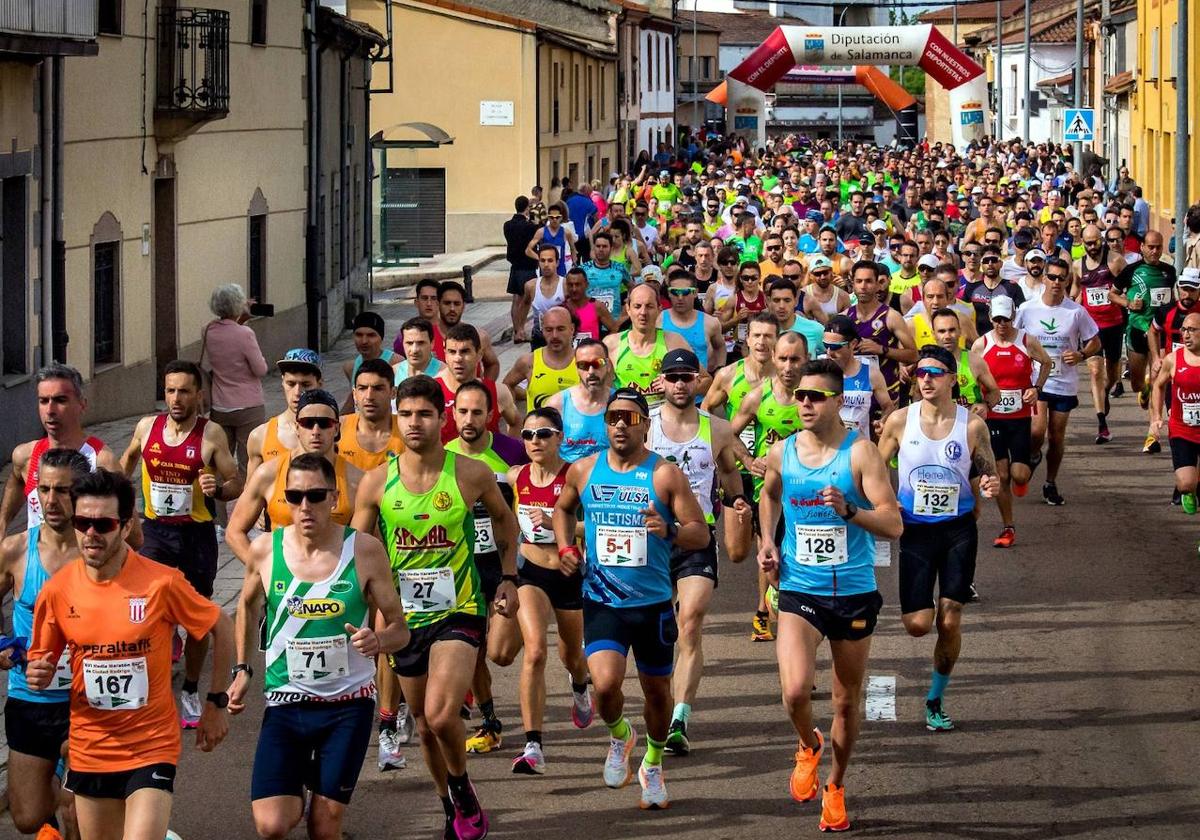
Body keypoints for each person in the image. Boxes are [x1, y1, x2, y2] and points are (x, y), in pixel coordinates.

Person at [352, 375, 520, 840]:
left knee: (443, 714)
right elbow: (356, 553)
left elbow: (506, 523)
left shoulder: (469, 473)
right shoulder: (376, 483)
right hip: (404, 621)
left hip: (460, 611)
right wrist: (362, 610)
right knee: (425, 728)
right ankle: (449, 804)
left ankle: (462, 787)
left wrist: (508, 578)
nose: (414, 423)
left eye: (424, 414)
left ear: (441, 418)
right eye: (405, 414)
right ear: (395, 418)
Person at [28, 469, 235, 840]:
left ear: (125, 527)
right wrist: (38, 672)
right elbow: (41, 659)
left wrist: (216, 702)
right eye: (83, 522)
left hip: (151, 745)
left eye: (103, 524)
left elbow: (221, 625)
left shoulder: (161, 582)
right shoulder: (58, 590)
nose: (91, 534)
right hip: (91, 746)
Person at [229, 452, 410, 840]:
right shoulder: (264, 550)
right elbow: (244, 605)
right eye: (294, 497)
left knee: (324, 828)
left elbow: (400, 628)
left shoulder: (363, 550)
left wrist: (378, 640)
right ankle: (297, 780)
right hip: (287, 704)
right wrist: (242, 669)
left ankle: (319, 790)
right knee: (272, 825)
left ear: (334, 496)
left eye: (315, 496)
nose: (305, 506)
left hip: (347, 707)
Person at [757, 359, 903, 833]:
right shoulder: (783, 452)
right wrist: (767, 542)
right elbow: (770, 494)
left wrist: (850, 511)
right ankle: (808, 745)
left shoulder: (861, 454)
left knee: (845, 702)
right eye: (800, 395)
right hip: (801, 587)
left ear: (839, 401)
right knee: (795, 690)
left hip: (855, 591)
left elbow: (894, 524)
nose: (804, 403)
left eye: (815, 396)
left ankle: (836, 785)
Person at [553, 389, 708, 810]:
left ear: (645, 425)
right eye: (613, 417)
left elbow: (700, 532)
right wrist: (566, 548)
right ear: (605, 424)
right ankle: (621, 736)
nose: (620, 424)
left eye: (630, 417)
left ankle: (653, 764)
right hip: (603, 601)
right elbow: (562, 510)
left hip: (653, 604)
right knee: (604, 686)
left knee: (658, 695)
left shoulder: (664, 475)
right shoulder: (583, 470)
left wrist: (671, 530)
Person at [878, 346, 1000, 732]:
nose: (926, 379)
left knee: (950, 617)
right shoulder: (900, 421)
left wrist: (991, 483)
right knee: (917, 624)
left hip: (957, 530)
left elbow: (988, 471)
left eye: (934, 372)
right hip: (915, 531)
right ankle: (923, 610)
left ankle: (935, 699)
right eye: (920, 373)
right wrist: (884, 503)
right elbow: (876, 470)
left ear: (953, 378)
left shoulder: (972, 426)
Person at [119, 360, 242, 729]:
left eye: (184, 391)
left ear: (199, 395)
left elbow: (237, 480)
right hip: (154, 532)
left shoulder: (211, 435)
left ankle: (190, 688)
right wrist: (117, 506)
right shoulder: (147, 427)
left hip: (196, 536)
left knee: (199, 619)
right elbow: (124, 465)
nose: (176, 398)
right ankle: (149, 688)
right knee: (144, 609)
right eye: (170, 390)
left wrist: (218, 490)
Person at [648, 350, 752, 756]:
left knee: (689, 621)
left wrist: (738, 500)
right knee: (655, 631)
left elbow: (728, 471)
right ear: (661, 381)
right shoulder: (646, 427)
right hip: (651, 538)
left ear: (699, 381)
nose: (679, 384)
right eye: (672, 376)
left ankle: (679, 717)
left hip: (696, 536)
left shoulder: (718, 429)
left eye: (686, 377)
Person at [0, 448, 90, 839]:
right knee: (27, 818)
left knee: (75, 812)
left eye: (64, 491)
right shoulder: (16, 550)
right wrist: (4, 646)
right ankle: (56, 776)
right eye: (44, 489)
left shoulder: (100, 551)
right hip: (30, 700)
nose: (51, 501)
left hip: (86, 702)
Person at [506, 409, 594, 775]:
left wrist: (562, 527)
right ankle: (533, 745)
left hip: (568, 572)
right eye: (527, 435)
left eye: (543, 434)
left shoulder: (575, 475)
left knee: (572, 656)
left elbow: (596, 524)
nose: (535, 442)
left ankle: (579, 683)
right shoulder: (515, 476)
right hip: (530, 572)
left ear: (560, 437)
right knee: (535, 650)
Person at [445, 383, 529, 756]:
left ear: (491, 414)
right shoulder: (442, 455)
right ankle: (491, 722)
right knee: (474, 650)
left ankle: (576, 676)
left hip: (506, 564)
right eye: (462, 411)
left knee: (500, 653)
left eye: (477, 412)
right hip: (464, 569)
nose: (468, 419)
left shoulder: (512, 450)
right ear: (453, 413)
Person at [730, 331, 809, 641]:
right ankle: (773, 610)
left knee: (798, 564)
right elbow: (728, 433)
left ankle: (789, 622)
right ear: (774, 359)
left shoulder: (814, 397)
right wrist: (750, 462)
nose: (789, 366)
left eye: (796, 359)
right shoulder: (758, 396)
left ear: (806, 359)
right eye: (784, 359)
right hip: (771, 493)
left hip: (805, 494)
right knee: (771, 557)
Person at [226, 390, 362, 562]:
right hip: (284, 579)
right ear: (297, 428)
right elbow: (234, 532)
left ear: (336, 428)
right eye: (307, 423)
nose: (316, 430)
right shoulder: (268, 474)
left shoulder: (357, 480)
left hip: (335, 579)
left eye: (324, 423)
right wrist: (264, 572)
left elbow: (367, 543)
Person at [1014, 258, 1101, 505]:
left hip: (1065, 383)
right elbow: (1013, 337)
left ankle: (1050, 483)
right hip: (1037, 381)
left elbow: (1095, 340)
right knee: (1037, 431)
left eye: (1061, 278)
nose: (1055, 282)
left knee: (1057, 436)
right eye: (1051, 277)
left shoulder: (1076, 312)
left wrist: (1081, 354)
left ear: (1067, 281)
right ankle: (1032, 455)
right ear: (1043, 278)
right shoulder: (1027, 309)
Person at [0, 363, 124, 534]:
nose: (50, 410)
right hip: (36, 557)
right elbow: (15, 482)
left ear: (82, 404)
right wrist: (3, 523)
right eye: (43, 401)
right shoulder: (25, 456)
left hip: (81, 559)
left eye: (60, 400)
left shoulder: (102, 461)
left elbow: (133, 535)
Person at [973, 296, 1052, 548]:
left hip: (1019, 418)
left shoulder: (1026, 340)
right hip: (994, 418)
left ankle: (1033, 458)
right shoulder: (981, 344)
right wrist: (980, 402)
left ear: (1013, 316)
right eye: (996, 319)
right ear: (990, 316)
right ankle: (1008, 527)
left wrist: (1036, 388)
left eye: (1006, 319)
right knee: (1002, 474)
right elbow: (973, 376)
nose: (1001, 324)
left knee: (1019, 475)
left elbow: (1047, 362)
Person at [1112, 230, 1177, 451]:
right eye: (1150, 246)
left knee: (1160, 378)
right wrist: (1129, 304)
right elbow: (1112, 294)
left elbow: (1171, 298)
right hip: (1137, 330)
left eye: (1158, 247)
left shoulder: (1169, 271)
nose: (1155, 251)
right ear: (1142, 247)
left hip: (1160, 332)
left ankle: (1153, 436)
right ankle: (1144, 387)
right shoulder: (1131, 271)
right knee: (1138, 383)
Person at [200, 284, 269, 476]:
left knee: (221, 462)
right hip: (248, 405)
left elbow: (225, 332)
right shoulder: (245, 334)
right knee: (250, 461)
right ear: (239, 305)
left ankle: (219, 503)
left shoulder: (207, 330)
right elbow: (260, 369)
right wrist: (242, 316)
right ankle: (249, 502)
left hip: (220, 406)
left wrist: (239, 314)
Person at [1073, 224, 1127, 443]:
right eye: (1088, 243)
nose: (1092, 247)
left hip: (1114, 324)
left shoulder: (1115, 261)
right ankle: (1101, 424)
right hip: (1091, 327)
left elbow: (1127, 288)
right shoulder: (1078, 265)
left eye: (1095, 242)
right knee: (1095, 370)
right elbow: (1077, 292)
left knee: (1112, 373)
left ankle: (1105, 391)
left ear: (1101, 240)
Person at [843, 260, 917, 409]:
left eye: (868, 281)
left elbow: (913, 355)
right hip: (854, 396)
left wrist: (882, 350)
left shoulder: (891, 316)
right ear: (853, 284)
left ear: (877, 284)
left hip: (888, 396)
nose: (863, 286)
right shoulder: (845, 317)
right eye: (859, 281)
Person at [604, 284, 691, 408]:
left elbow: (705, 381)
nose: (643, 312)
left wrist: (674, 385)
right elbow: (600, 390)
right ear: (628, 309)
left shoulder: (674, 342)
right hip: (627, 420)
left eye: (649, 306)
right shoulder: (611, 344)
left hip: (665, 420)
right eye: (637, 306)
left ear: (659, 309)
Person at [1150, 312, 1200, 524]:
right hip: (1182, 428)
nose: (1186, 335)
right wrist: (1156, 417)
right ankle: (1188, 491)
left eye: (1192, 330)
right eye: (1184, 330)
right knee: (1186, 483)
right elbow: (1158, 386)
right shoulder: (1173, 359)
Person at [245, 349, 324, 480]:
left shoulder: (334, 433)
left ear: (319, 384)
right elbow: (250, 495)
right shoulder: (260, 436)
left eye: (306, 384)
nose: (298, 392)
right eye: (291, 384)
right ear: (282, 382)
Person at [436, 323, 520, 442]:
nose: (458, 358)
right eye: (452, 352)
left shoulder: (498, 392)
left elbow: (515, 423)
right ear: (445, 354)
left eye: (465, 351)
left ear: (479, 354)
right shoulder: (431, 391)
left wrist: (512, 453)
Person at [822, 316, 894, 439]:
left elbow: (888, 406)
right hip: (827, 445)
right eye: (826, 345)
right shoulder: (818, 370)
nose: (829, 352)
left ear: (853, 344)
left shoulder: (871, 373)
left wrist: (882, 421)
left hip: (858, 446)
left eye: (835, 347)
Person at [545, 339, 614, 462]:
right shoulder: (557, 405)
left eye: (597, 363)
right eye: (583, 365)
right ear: (576, 368)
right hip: (569, 477)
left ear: (608, 365)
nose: (591, 371)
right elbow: (545, 452)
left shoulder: (619, 403)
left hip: (607, 477)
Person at [504, 306, 579, 414]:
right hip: (538, 430)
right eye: (549, 330)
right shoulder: (529, 362)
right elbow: (507, 385)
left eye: (560, 329)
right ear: (542, 330)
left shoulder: (583, 361)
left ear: (572, 329)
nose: (554, 336)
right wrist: (514, 419)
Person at [930, 308, 1001, 417]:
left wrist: (985, 406)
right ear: (933, 334)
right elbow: (918, 395)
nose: (947, 336)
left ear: (960, 331)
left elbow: (995, 392)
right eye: (942, 331)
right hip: (939, 427)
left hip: (970, 427)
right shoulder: (927, 363)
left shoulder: (975, 361)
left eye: (952, 330)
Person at [339, 359, 405, 472]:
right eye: (362, 388)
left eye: (378, 388)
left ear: (393, 392)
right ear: (354, 394)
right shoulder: (337, 428)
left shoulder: (407, 431)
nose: (369, 396)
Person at [661, 270, 726, 375]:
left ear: (695, 293)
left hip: (700, 386)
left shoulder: (710, 323)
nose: (680, 298)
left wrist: (719, 368)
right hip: (668, 387)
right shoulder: (658, 321)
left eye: (686, 292)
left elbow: (720, 346)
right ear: (669, 293)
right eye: (675, 292)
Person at [434, 281, 501, 381]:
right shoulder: (427, 336)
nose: (452, 308)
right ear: (438, 304)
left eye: (457, 304)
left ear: (463, 305)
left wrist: (487, 390)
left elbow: (493, 364)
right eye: (447, 303)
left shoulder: (479, 336)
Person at [961, 245, 1027, 337]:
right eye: (986, 261)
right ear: (981, 264)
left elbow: (1023, 316)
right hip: (977, 340)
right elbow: (962, 316)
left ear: (1001, 263)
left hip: (1005, 339)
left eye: (994, 260)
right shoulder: (971, 288)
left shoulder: (1013, 287)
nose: (990, 264)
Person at [506, 196, 542, 342]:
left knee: (516, 299)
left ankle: (516, 330)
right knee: (525, 300)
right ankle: (521, 331)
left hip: (514, 265)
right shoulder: (530, 227)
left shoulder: (507, 225)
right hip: (527, 265)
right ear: (527, 208)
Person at [769, 277, 826, 361]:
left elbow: (832, 355)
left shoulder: (816, 329)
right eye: (776, 300)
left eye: (787, 300)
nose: (781, 306)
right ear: (769, 302)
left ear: (795, 301)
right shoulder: (763, 332)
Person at [522, 244, 567, 350]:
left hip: (560, 338)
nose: (546, 264)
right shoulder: (530, 286)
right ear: (539, 263)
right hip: (539, 337)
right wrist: (520, 328)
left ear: (557, 263)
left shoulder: (565, 285)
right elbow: (524, 304)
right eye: (543, 260)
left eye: (550, 260)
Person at [582, 231, 633, 318]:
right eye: (598, 246)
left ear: (611, 248)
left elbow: (631, 286)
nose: (601, 249)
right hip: (590, 318)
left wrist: (628, 302)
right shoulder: (583, 269)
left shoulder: (620, 268)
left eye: (605, 246)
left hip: (614, 319)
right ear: (594, 248)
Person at [563, 266, 618, 344]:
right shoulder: (562, 309)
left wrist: (602, 346)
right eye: (570, 285)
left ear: (586, 285)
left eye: (578, 284)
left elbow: (614, 329)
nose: (574, 289)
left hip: (592, 354)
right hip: (569, 355)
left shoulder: (597, 307)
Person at [525, 201, 577, 278]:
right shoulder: (541, 232)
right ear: (548, 217)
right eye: (552, 217)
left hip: (561, 270)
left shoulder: (566, 233)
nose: (554, 220)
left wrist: (574, 263)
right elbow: (528, 250)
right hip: (545, 269)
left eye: (557, 217)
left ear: (561, 217)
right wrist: (540, 259)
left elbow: (573, 249)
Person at [802, 256, 851, 325]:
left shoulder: (843, 296)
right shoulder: (803, 294)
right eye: (818, 274)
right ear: (811, 275)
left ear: (831, 272)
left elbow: (848, 323)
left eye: (825, 272)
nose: (822, 277)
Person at [394, 317, 446, 382]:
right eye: (409, 343)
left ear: (432, 343)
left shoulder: (446, 374)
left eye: (421, 343)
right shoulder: (393, 373)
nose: (414, 350)